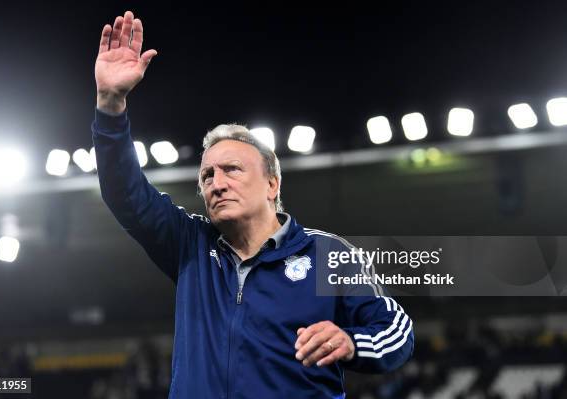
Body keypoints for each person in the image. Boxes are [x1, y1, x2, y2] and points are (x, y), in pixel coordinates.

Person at [92, 10, 414, 399]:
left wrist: (352, 340)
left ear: (272, 184)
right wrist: (110, 105)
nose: (217, 183)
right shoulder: (189, 245)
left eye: (232, 169)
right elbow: (125, 192)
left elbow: (396, 333)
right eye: (207, 176)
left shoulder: (328, 254)